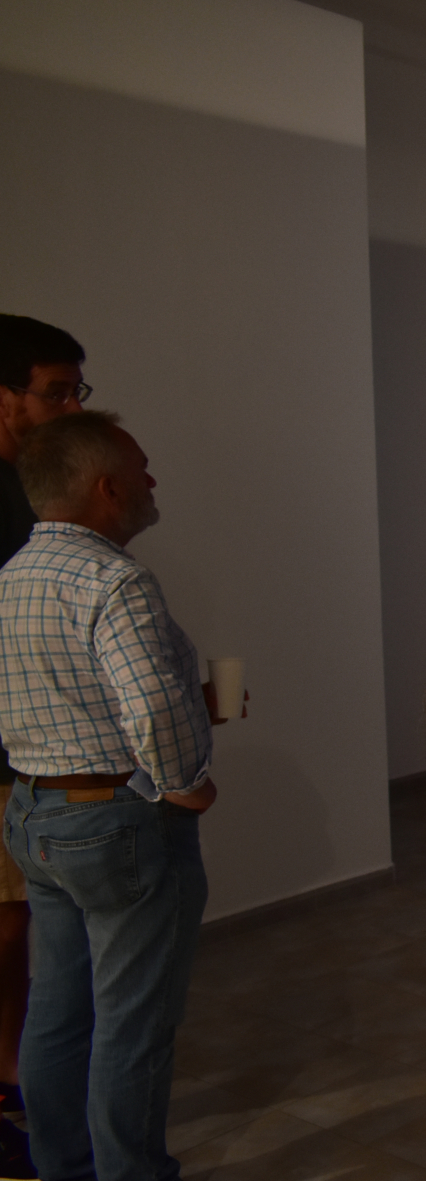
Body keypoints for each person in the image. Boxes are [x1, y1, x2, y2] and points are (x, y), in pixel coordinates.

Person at [0, 411, 219, 1181]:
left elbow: (68, 694)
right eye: (142, 468)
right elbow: (151, 706)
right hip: (115, 821)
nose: (152, 480)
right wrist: (186, 782)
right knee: (134, 1021)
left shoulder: (10, 577)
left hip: (35, 812)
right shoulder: (114, 579)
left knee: (58, 1009)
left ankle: (64, 1166)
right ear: (107, 488)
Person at [0, 313, 91, 1170]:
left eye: (76, 391)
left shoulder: (32, 495)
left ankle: (24, 1084)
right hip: (17, 764)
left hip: (33, 766)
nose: (71, 408)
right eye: (55, 393)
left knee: (30, 933)